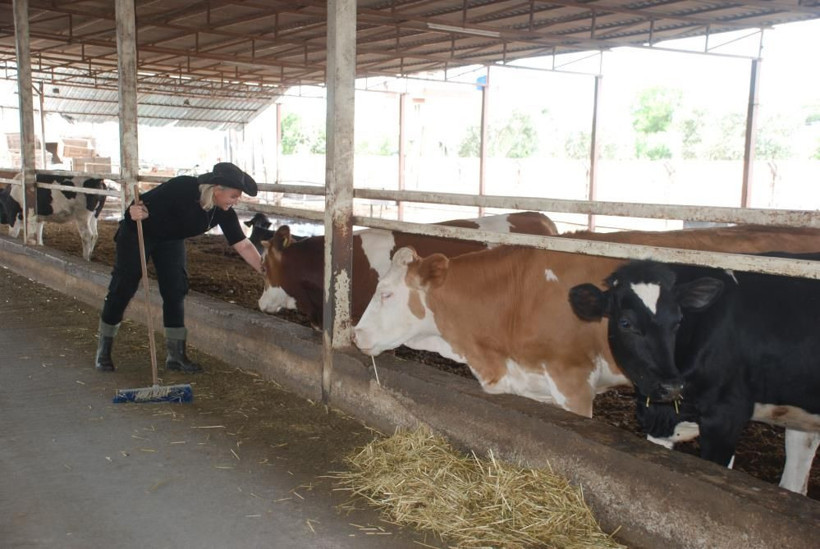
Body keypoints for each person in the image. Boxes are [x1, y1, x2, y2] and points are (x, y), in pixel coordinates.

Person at [94, 162, 264, 373]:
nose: (236, 200)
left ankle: (176, 356)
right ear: (217, 190)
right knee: (125, 285)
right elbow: (137, 207)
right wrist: (135, 212)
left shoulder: (222, 212)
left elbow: (244, 245)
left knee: (175, 288)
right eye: (234, 195)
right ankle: (104, 350)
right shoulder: (182, 187)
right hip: (139, 232)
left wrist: (267, 272)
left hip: (171, 239)